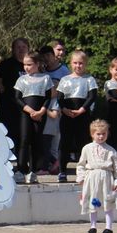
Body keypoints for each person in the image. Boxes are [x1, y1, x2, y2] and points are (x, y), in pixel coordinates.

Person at [56, 50, 97, 182]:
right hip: (67, 114)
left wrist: (82, 109)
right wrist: (64, 109)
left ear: (85, 64)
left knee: (83, 142)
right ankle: (62, 171)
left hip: (83, 115)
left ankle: (84, 170)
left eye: (81, 63)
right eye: (75, 63)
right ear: (71, 63)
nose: (78, 66)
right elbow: (59, 97)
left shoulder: (89, 79)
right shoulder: (65, 80)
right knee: (65, 142)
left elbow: (92, 96)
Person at [13, 51, 54, 183]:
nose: (26, 67)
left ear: (37, 64)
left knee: (36, 141)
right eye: (24, 65)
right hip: (26, 113)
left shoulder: (45, 78)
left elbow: (48, 97)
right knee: (24, 140)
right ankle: (20, 169)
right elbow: (17, 98)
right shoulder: (22, 79)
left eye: (29, 64)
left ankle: (33, 171)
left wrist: (41, 111)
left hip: (40, 114)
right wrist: (30, 111)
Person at [76, 120, 117, 233]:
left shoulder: (111, 150)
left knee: (108, 202)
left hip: (106, 177)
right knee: (93, 202)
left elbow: (116, 168)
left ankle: (108, 228)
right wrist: (81, 177)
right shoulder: (87, 148)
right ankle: (93, 226)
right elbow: (81, 164)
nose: (101, 136)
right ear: (92, 134)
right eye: (98, 134)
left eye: (103, 134)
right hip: (92, 177)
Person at [0, 38, 29, 151]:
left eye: (23, 47)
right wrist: (1, 89)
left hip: (26, 107)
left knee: (24, 136)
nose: (21, 49)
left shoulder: (31, 64)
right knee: (12, 135)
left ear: (28, 49)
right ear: (13, 50)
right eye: (18, 47)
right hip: (9, 107)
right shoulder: (9, 64)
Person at [43, 42, 70, 173]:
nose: (61, 53)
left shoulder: (64, 71)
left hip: (56, 107)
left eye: (49, 55)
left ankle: (57, 163)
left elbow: (66, 91)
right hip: (44, 108)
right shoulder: (42, 70)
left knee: (55, 139)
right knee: (45, 139)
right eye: (58, 50)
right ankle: (51, 163)